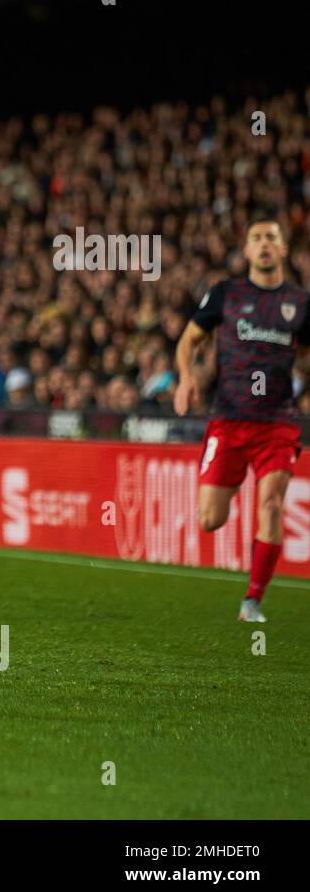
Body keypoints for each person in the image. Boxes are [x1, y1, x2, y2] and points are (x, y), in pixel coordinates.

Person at [174, 215, 310, 622]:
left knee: (271, 505)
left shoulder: (301, 304)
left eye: (272, 237)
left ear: (283, 249)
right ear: (247, 250)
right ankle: (229, 489)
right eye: (256, 238)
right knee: (209, 519)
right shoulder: (225, 294)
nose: (264, 244)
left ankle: (252, 602)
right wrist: (186, 378)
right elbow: (188, 341)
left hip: (277, 422)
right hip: (229, 419)